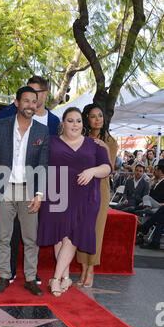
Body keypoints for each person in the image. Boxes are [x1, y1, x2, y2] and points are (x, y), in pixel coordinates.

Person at [37, 107, 112, 296]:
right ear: (63, 123)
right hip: (57, 193)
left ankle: (55, 278)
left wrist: (92, 171)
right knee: (59, 237)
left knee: (71, 237)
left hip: (85, 197)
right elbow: (40, 163)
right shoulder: (51, 141)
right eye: (70, 121)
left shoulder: (95, 144)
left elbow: (107, 168)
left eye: (78, 121)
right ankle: (65, 278)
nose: (75, 124)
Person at [0, 75, 60, 284]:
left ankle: (31, 278)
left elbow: (43, 164)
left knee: (31, 239)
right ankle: (5, 275)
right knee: (3, 237)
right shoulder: (1, 126)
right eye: (26, 101)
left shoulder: (42, 131)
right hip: (4, 188)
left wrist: (39, 194)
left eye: (34, 101)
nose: (30, 105)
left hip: (29, 190)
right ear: (17, 103)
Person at [76, 103, 117, 288]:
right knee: (81, 229)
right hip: (82, 189)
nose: (98, 119)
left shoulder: (110, 141)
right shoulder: (82, 138)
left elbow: (109, 169)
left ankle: (91, 270)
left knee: (95, 231)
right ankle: (83, 268)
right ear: (87, 119)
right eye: (93, 116)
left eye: (100, 115)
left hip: (100, 190)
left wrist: (105, 149)